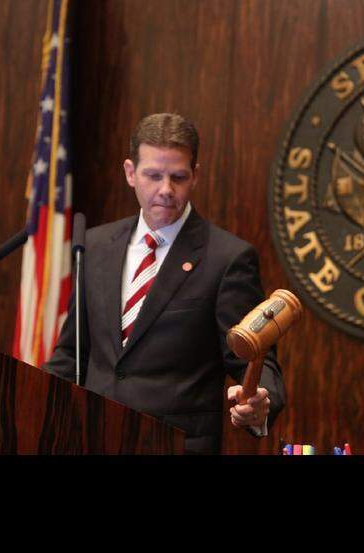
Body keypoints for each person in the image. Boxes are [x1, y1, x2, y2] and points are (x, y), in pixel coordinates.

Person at [45, 113, 285, 454]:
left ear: (196, 176)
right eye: (153, 176)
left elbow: (254, 358)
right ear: (130, 173)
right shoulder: (95, 246)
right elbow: (72, 353)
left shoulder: (227, 259)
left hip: (176, 446)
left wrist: (260, 400)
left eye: (178, 177)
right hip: (92, 439)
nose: (165, 191)